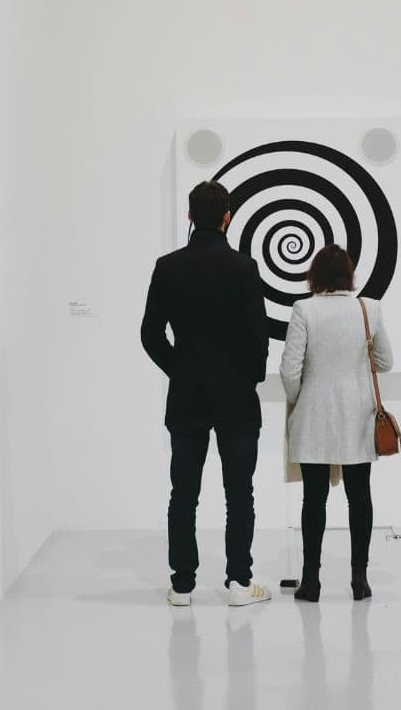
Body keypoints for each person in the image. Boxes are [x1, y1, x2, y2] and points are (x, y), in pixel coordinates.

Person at [141, 180, 273, 608]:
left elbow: (150, 334)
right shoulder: (244, 268)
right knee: (240, 492)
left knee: (183, 492)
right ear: (227, 217)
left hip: (187, 395)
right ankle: (239, 582)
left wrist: (179, 369)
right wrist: (248, 377)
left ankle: (182, 585)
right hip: (236, 396)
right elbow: (258, 337)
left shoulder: (168, 267)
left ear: (190, 216)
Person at [280, 244, 394, 602]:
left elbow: (289, 369)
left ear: (314, 275)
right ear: (349, 274)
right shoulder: (368, 308)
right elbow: (386, 362)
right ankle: (359, 579)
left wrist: (299, 398)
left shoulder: (304, 309)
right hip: (357, 416)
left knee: (313, 499)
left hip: (314, 415)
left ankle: (311, 581)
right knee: (360, 497)